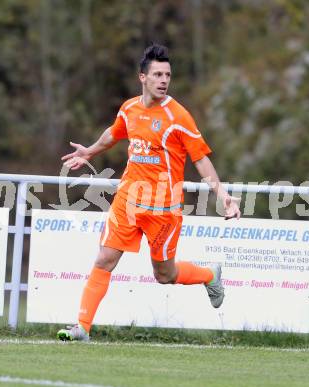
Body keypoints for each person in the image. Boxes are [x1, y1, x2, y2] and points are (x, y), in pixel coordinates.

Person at [57, 44, 240, 341]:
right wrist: (89, 151)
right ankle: (82, 327)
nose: (163, 80)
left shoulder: (178, 115)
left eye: (167, 74)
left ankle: (209, 275)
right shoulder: (130, 108)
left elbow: (201, 159)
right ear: (143, 77)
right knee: (104, 258)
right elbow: (114, 133)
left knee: (164, 275)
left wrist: (222, 195)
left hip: (163, 207)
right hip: (128, 200)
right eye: (157, 74)